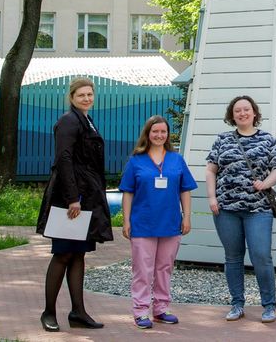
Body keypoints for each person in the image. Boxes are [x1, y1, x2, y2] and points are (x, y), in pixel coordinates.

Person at [35, 77, 113, 332]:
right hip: (71, 199)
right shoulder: (69, 121)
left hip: (85, 197)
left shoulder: (86, 120)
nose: (87, 98)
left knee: (78, 254)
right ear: (72, 97)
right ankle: (48, 312)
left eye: (90, 94)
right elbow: (64, 159)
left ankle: (78, 312)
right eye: (81, 95)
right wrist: (72, 198)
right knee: (63, 254)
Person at [207, 95, 276, 324]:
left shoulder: (267, 139)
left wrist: (266, 183)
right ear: (232, 115)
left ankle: (269, 306)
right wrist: (212, 197)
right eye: (238, 110)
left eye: (246, 109)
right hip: (226, 209)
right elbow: (211, 170)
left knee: (261, 256)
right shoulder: (222, 140)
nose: (242, 113)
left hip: (258, 209)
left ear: (254, 113)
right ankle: (237, 304)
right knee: (233, 258)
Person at [120, 115, 197, 329]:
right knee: (142, 269)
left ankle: (161, 308)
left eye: (163, 131)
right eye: (155, 131)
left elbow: (185, 190)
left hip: (170, 223)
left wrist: (187, 216)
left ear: (168, 134)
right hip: (143, 223)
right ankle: (140, 310)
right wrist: (126, 221)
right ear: (148, 133)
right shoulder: (136, 161)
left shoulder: (176, 159)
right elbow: (127, 192)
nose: (159, 135)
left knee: (164, 268)